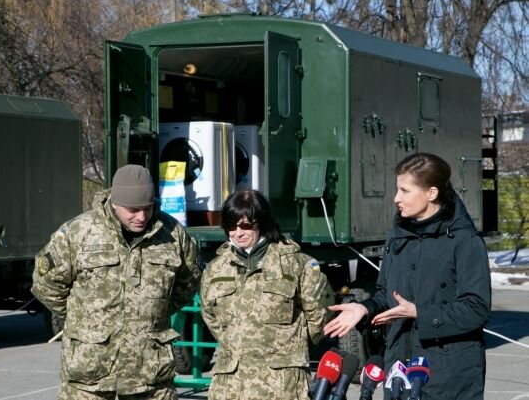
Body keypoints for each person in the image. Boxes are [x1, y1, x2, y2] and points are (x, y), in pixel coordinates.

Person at [323, 152, 491, 400]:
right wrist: (365, 309)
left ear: (431, 194)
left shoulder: (465, 241)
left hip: (448, 378)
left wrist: (420, 313)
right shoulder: (397, 237)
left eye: (404, 191)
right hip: (399, 371)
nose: (396, 198)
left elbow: (476, 309)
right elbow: (386, 295)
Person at [32, 164, 201, 400]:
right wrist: (86, 320)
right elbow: (46, 284)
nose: (141, 217)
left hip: (150, 374)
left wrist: (149, 315)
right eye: (133, 209)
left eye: (148, 208)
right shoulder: (78, 232)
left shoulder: (172, 234)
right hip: (90, 376)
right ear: (114, 201)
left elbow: (188, 281)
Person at [199, 190, 335, 400]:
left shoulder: (297, 264)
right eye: (231, 226)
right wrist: (238, 339)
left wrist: (288, 347)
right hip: (231, 387)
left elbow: (319, 318)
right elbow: (211, 315)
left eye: (245, 225)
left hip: (281, 384)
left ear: (261, 223)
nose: (238, 233)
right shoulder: (216, 269)